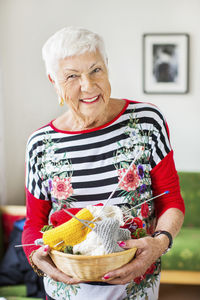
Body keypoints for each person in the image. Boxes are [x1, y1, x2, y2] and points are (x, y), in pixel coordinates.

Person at [22, 27, 185, 300]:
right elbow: (34, 222)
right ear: (53, 81)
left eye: (95, 69)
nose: (88, 85)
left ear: (107, 67)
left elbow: (171, 200)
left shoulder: (147, 121)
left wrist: (159, 243)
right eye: (72, 76)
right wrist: (34, 256)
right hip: (67, 292)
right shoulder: (39, 144)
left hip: (137, 288)